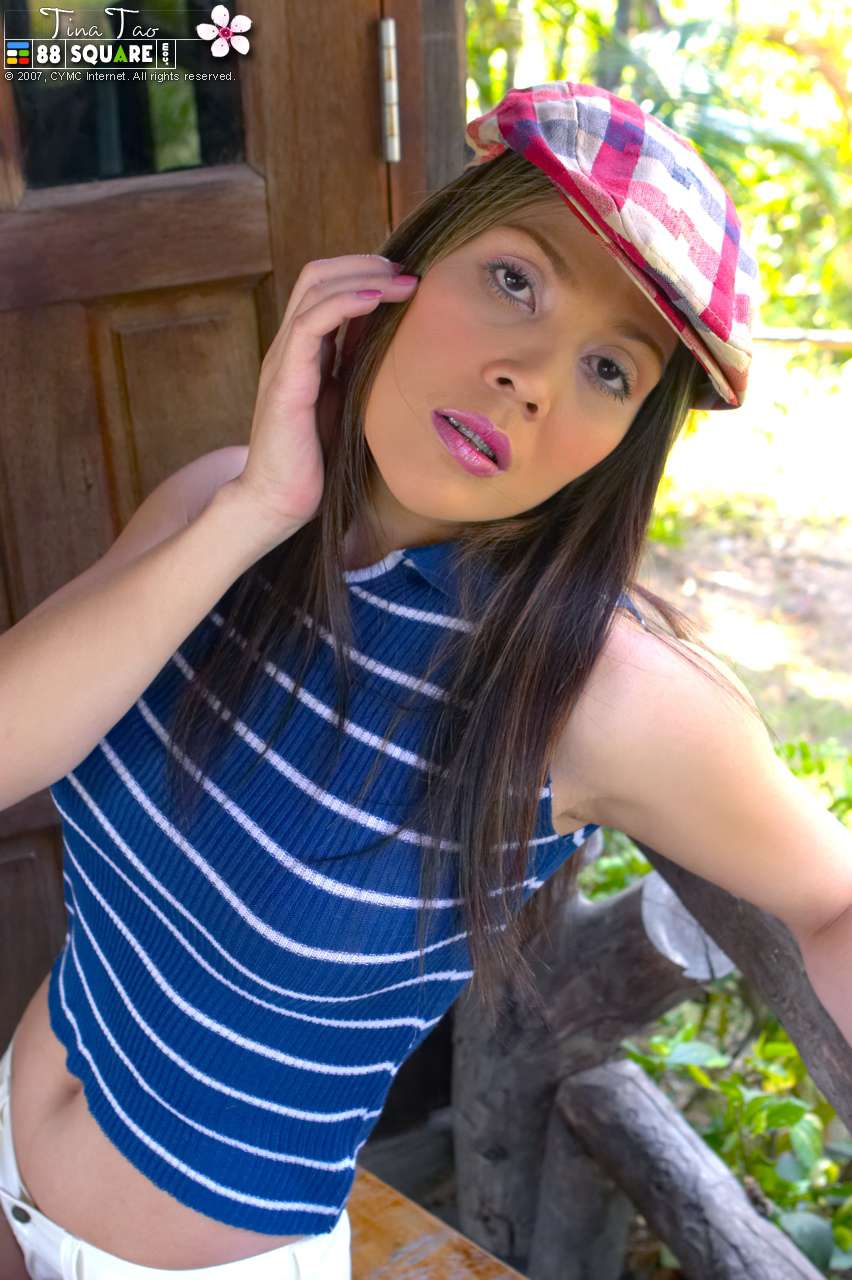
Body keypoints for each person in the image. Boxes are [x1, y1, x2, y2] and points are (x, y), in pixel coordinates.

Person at [1, 78, 851, 1280]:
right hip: (11, 1128)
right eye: (514, 278)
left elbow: (832, 899)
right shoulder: (218, 508)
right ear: (402, 270)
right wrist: (254, 511)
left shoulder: (596, 693)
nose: (533, 376)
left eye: (610, 370)